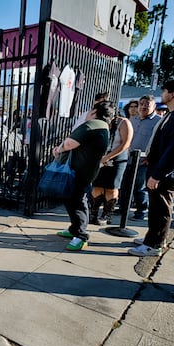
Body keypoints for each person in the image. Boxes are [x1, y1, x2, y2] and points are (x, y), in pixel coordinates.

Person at [129, 78, 174, 257]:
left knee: (160, 209)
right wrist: (150, 159)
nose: (163, 94)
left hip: (166, 174)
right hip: (158, 168)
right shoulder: (172, 113)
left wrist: (158, 174)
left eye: (165, 91)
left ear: (173, 94)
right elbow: (162, 143)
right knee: (156, 208)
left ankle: (154, 244)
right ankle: (153, 238)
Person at [54, 101, 114, 251]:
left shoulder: (92, 125)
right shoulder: (103, 127)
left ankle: (81, 236)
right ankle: (75, 229)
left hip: (79, 172)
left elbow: (69, 144)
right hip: (85, 171)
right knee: (73, 200)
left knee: (78, 203)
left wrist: (58, 149)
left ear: (94, 112)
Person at [89, 112, 133, 225]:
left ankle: (107, 214)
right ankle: (93, 212)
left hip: (117, 158)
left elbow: (125, 144)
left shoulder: (123, 123)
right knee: (97, 185)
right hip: (99, 157)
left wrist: (108, 157)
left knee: (112, 187)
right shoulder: (98, 121)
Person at [124, 95, 161, 220]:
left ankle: (141, 211)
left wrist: (150, 158)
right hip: (128, 159)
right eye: (141, 104)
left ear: (154, 106)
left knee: (140, 188)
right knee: (126, 185)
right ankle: (123, 208)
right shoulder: (132, 120)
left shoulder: (159, 122)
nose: (143, 107)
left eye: (147, 104)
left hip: (144, 162)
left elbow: (161, 143)